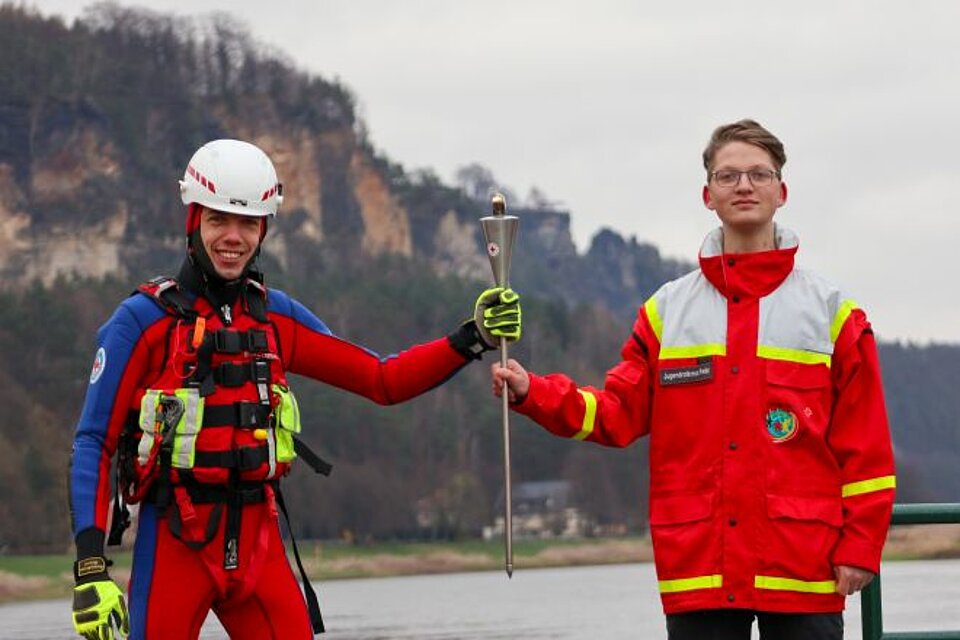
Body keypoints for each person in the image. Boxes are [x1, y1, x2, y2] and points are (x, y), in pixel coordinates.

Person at [69, 139, 521, 640]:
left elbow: (382, 380)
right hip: (177, 537)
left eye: (248, 224)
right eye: (219, 220)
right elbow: (94, 441)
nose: (233, 238)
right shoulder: (141, 321)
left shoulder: (276, 316)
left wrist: (472, 338)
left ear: (263, 231)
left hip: (259, 541)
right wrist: (91, 567)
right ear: (193, 221)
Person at [492, 119, 895, 639]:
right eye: (728, 176)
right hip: (700, 562)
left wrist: (861, 547)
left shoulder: (833, 314)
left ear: (782, 191)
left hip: (802, 565)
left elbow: (867, 450)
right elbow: (617, 413)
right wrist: (534, 393)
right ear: (708, 195)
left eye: (758, 174)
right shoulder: (666, 312)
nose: (744, 186)